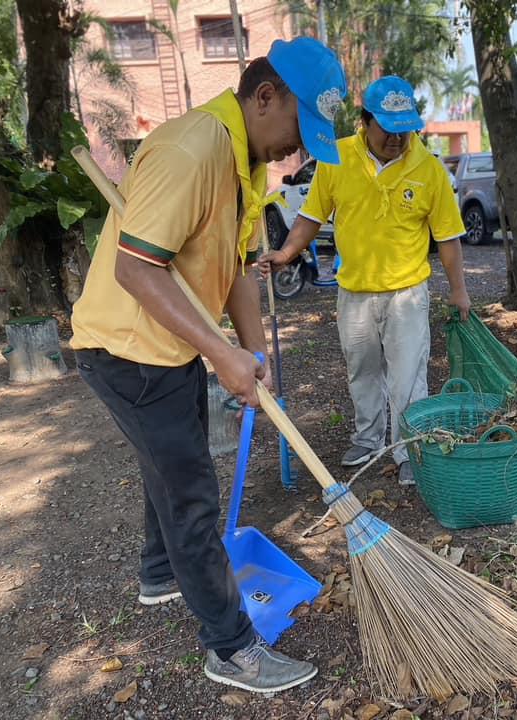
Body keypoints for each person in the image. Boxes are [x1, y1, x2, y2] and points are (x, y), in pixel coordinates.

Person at [69, 38, 346, 693]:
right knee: (192, 496)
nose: (296, 151)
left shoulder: (242, 159)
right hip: (127, 352)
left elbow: (238, 272)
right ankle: (232, 649)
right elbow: (136, 268)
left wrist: (252, 351)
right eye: (298, 132)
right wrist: (221, 353)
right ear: (265, 96)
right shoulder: (191, 150)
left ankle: (161, 574)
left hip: (170, 348)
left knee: (170, 465)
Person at [259, 76, 470, 485]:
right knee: (362, 370)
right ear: (364, 121)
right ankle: (368, 438)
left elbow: (448, 237)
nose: (397, 138)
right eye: (388, 129)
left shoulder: (428, 169)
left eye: (404, 129)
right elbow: (310, 216)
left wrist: (459, 290)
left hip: (407, 292)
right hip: (354, 291)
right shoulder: (336, 158)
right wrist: (286, 254)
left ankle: (409, 450)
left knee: (408, 375)